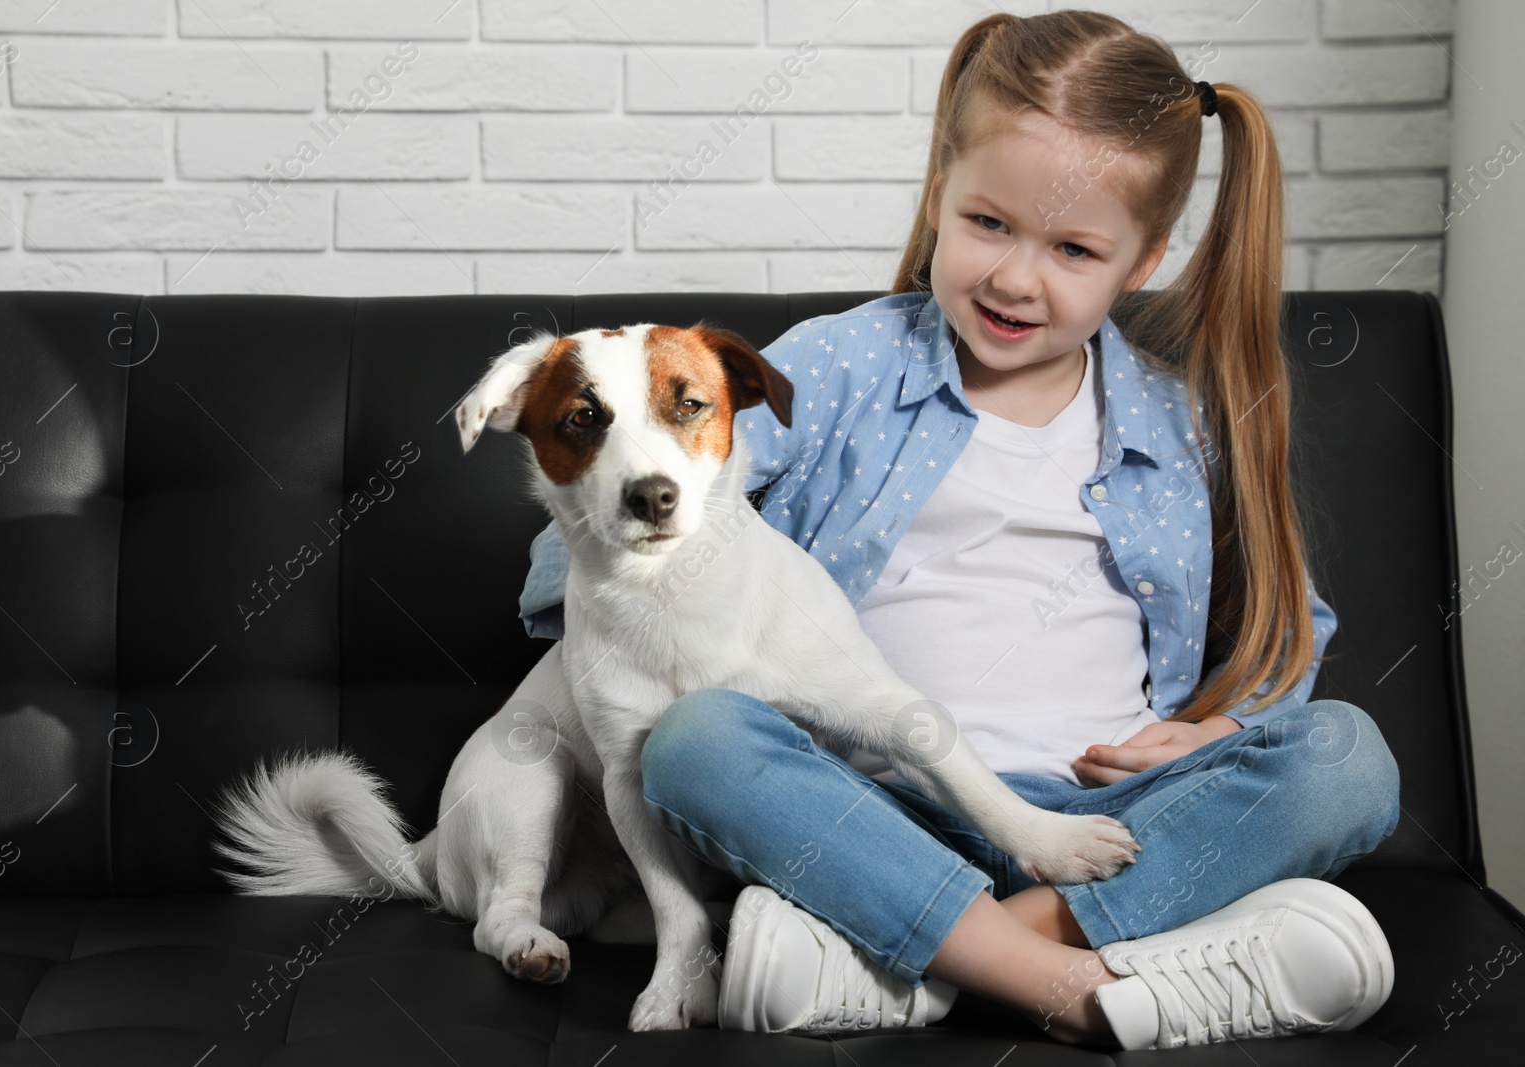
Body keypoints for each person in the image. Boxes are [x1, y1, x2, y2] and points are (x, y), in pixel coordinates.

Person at [515, 8, 1400, 1051]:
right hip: (874, 806)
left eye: (1073, 247)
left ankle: (922, 959)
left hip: (1117, 815)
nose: (1017, 276)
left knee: (1349, 755)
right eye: (988, 224)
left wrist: (1220, 728)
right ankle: (1082, 975)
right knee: (695, 739)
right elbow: (596, 538)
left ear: (1142, 258)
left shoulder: (1179, 420)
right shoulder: (844, 366)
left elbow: (1290, 626)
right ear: (940, 193)